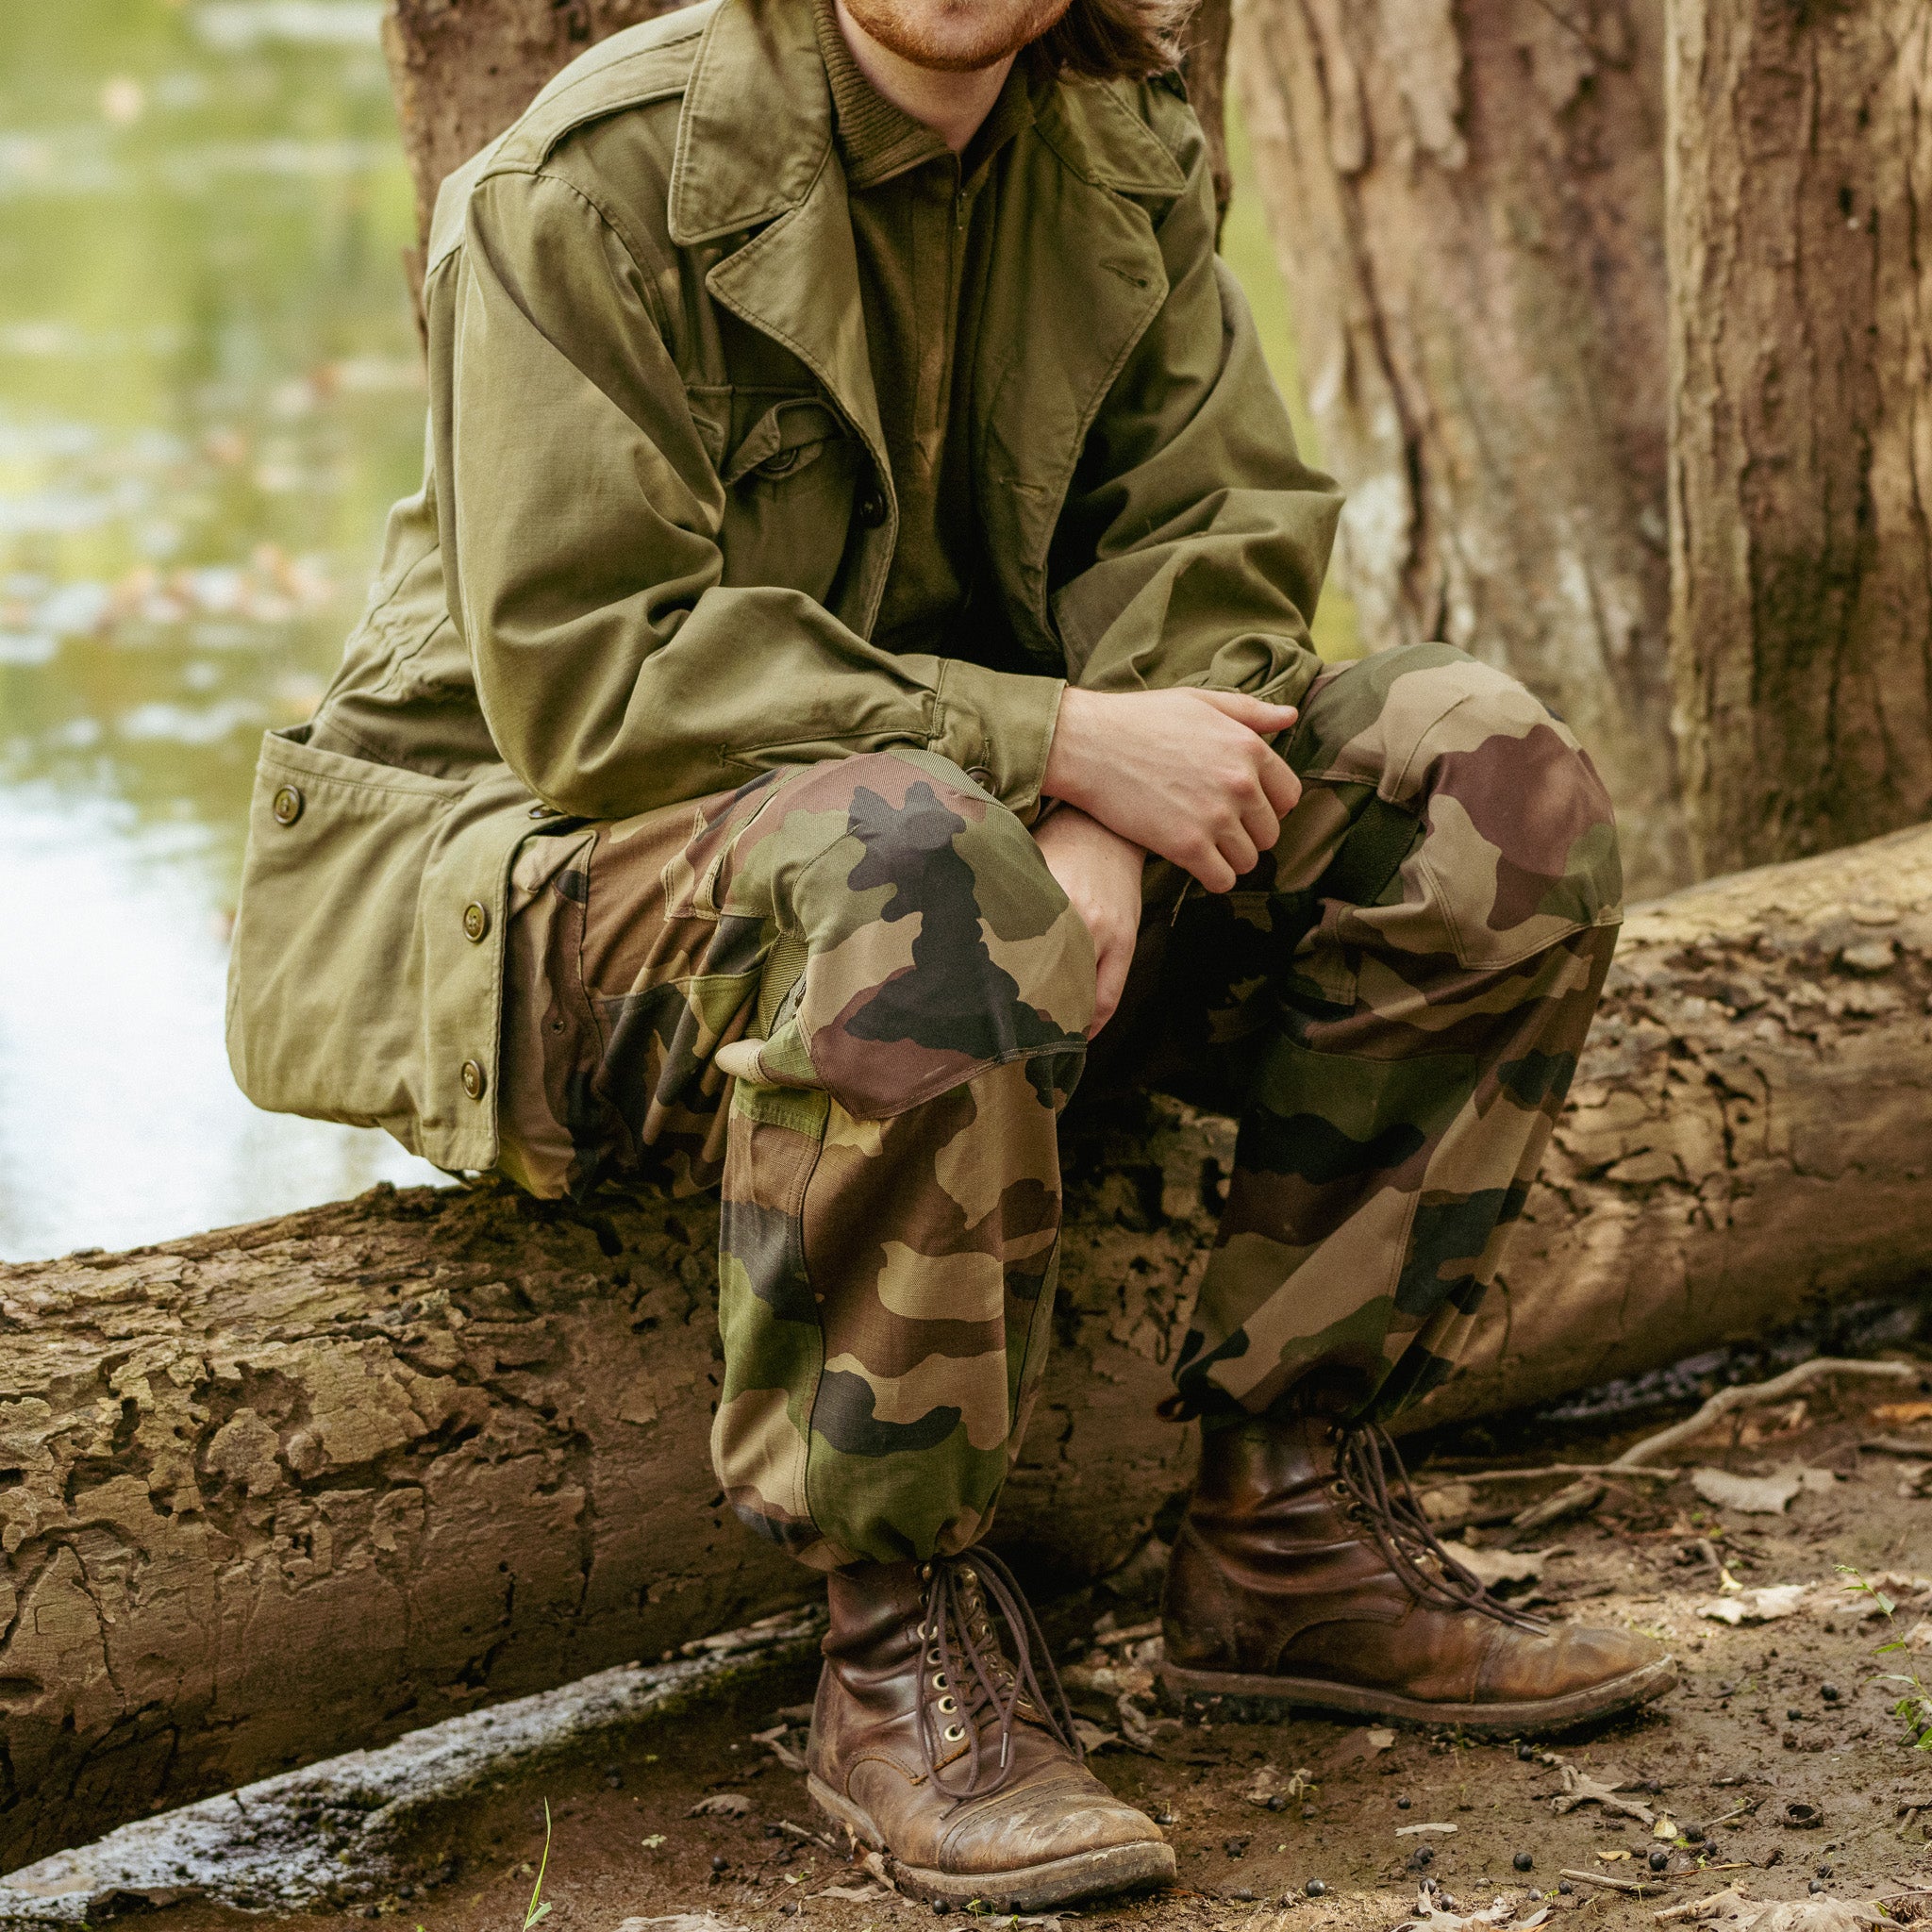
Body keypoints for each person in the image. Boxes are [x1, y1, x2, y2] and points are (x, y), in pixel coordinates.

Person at [227, 0, 1674, 1907]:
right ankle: (895, 1651)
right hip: (533, 879)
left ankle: (1288, 1525)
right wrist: (1057, 750)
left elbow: (1218, 532)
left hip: (935, 855)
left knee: (1485, 785)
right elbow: (597, 680)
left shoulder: (1113, 147)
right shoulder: (588, 181)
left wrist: (1103, 819)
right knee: (922, 850)